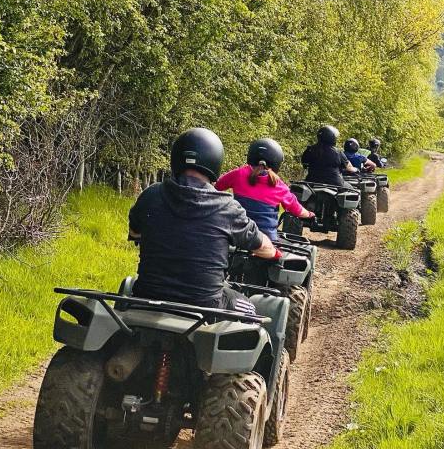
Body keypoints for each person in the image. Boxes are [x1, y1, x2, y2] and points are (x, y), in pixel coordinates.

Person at [127, 127, 280, 313]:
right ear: (214, 161)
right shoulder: (228, 207)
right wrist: (274, 253)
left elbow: (135, 232)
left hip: (147, 297)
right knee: (252, 311)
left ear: (175, 159)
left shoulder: (151, 195)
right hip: (206, 306)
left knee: (129, 287)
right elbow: (262, 246)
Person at [215, 138, 314, 240]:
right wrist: (310, 214)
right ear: (277, 161)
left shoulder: (238, 173)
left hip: (236, 235)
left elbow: (217, 186)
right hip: (266, 240)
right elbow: (298, 211)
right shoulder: (279, 185)